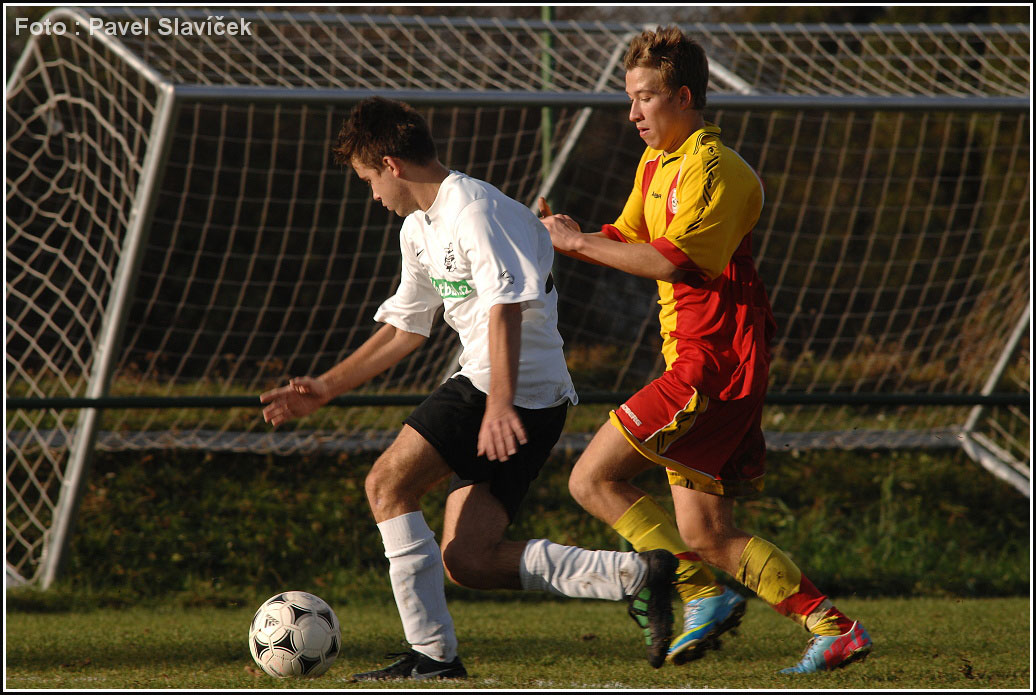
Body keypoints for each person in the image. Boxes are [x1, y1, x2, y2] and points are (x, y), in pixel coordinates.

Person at [260, 96, 677, 681]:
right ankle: (634, 575)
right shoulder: (418, 229)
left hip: (505, 388)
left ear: (392, 165)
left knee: (386, 484)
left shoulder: (476, 209)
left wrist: (499, 403)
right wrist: (326, 387)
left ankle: (432, 656)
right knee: (469, 560)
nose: (372, 195)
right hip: (517, 395)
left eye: (369, 180)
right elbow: (406, 328)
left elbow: (506, 306)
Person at [537, 26, 873, 675]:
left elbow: (670, 261)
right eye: (630, 98)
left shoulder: (716, 169)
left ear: (684, 97)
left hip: (714, 361)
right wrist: (565, 233)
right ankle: (834, 628)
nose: (633, 113)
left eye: (645, 98)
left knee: (591, 478)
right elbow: (627, 237)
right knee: (706, 533)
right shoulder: (656, 164)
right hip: (697, 360)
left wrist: (576, 245)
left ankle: (699, 593)